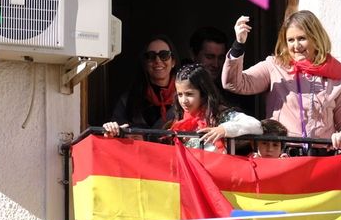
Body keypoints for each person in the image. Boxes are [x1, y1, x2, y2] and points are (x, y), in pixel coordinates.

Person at [222, 11, 341, 150]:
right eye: (291, 40)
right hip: (284, 157)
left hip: (321, 160)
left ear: (316, 38)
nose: (296, 45)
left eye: (302, 38)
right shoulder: (274, 66)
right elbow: (234, 83)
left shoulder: (336, 75)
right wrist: (239, 45)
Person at [106, 64, 259, 153]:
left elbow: (256, 126)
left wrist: (223, 130)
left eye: (189, 94)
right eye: (179, 94)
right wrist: (117, 133)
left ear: (204, 93)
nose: (183, 100)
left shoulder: (221, 116)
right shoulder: (173, 122)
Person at [109, 35, 180, 131]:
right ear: (145, 63)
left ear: (173, 62)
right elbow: (116, 135)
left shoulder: (187, 97)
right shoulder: (128, 100)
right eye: (151, 56)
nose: (158, 60)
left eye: (164, 55)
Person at [190, 25, 260, 117]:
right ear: (193, 55)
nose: (216, 64)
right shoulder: (182, 84)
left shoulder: (235, 91)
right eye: (209, 57)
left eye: (221, 58)